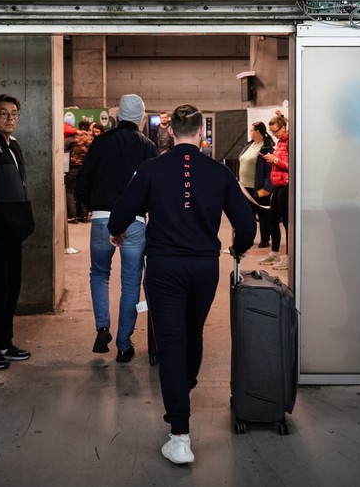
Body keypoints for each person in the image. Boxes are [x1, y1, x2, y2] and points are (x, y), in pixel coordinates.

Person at [107, 103, 256, 465]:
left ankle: (179, 434)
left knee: (171, 341)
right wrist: (237, 247)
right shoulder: (218, 172)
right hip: (205, 268)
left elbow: (120, 215)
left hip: (165, 268)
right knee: (194, 332)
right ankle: (183, 388)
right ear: (202, 133)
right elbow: (247, 224)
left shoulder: (151, 169)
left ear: (170, 131)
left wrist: (116, 232)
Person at [75, 94, 157, 362]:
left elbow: (82, 183)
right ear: (142, 118)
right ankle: (124, 344)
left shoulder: (100, 142)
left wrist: (96, 207)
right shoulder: (147, 145)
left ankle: (102, 327)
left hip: (101, 219)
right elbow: (153, 191)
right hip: (135, 222)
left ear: (117, 116)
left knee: (99, 273)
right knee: (131, 282)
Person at [0, 94, 35, 370]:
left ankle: (5, 342)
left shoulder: (13, 145)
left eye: (14, 114)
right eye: (3, 113)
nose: (9, 119)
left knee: (12, 288)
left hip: (15, 230)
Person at [259, 110, 289, 270]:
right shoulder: (280, 143)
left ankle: (289, 257)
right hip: (278, 186)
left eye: (275, 131)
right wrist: (271, 160)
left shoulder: (291, 142)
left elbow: (292, 166)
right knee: (272, 220)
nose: (274, 134)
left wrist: (275, 160)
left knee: (287, 223)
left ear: (284, 127)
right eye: (272, 132)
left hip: (286, 186)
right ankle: (275, 252)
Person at [238, 121, 275, 248]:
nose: (250, 133)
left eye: (252, 130)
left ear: (258, 132)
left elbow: (269, 170)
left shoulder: (266, 148)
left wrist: (267, 188)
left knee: (263, 214)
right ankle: (250, 237)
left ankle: (265, 239)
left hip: (258, 187)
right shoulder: (248, 145)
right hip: (244, 186)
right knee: (248, 214)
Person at [67, 120, 93, 223]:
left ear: (79, 126)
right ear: (88, 127)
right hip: (86, 169)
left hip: (73, 168)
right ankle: (84, 216)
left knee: (70, 191)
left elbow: (63, 148)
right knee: (84, 190)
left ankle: (73, 216)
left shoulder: (73, 138)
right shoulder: (91, 139)